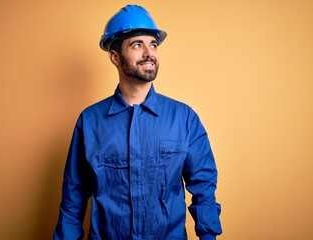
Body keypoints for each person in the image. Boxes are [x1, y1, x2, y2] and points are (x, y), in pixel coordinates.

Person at [53, 4, 222, 240]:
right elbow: (73, 200)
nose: (149, 53)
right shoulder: (90, 122)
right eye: (136, 45)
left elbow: (204, 187)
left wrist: (208, 236)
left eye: (153, 44)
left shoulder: (184, 118)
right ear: (115, 57)